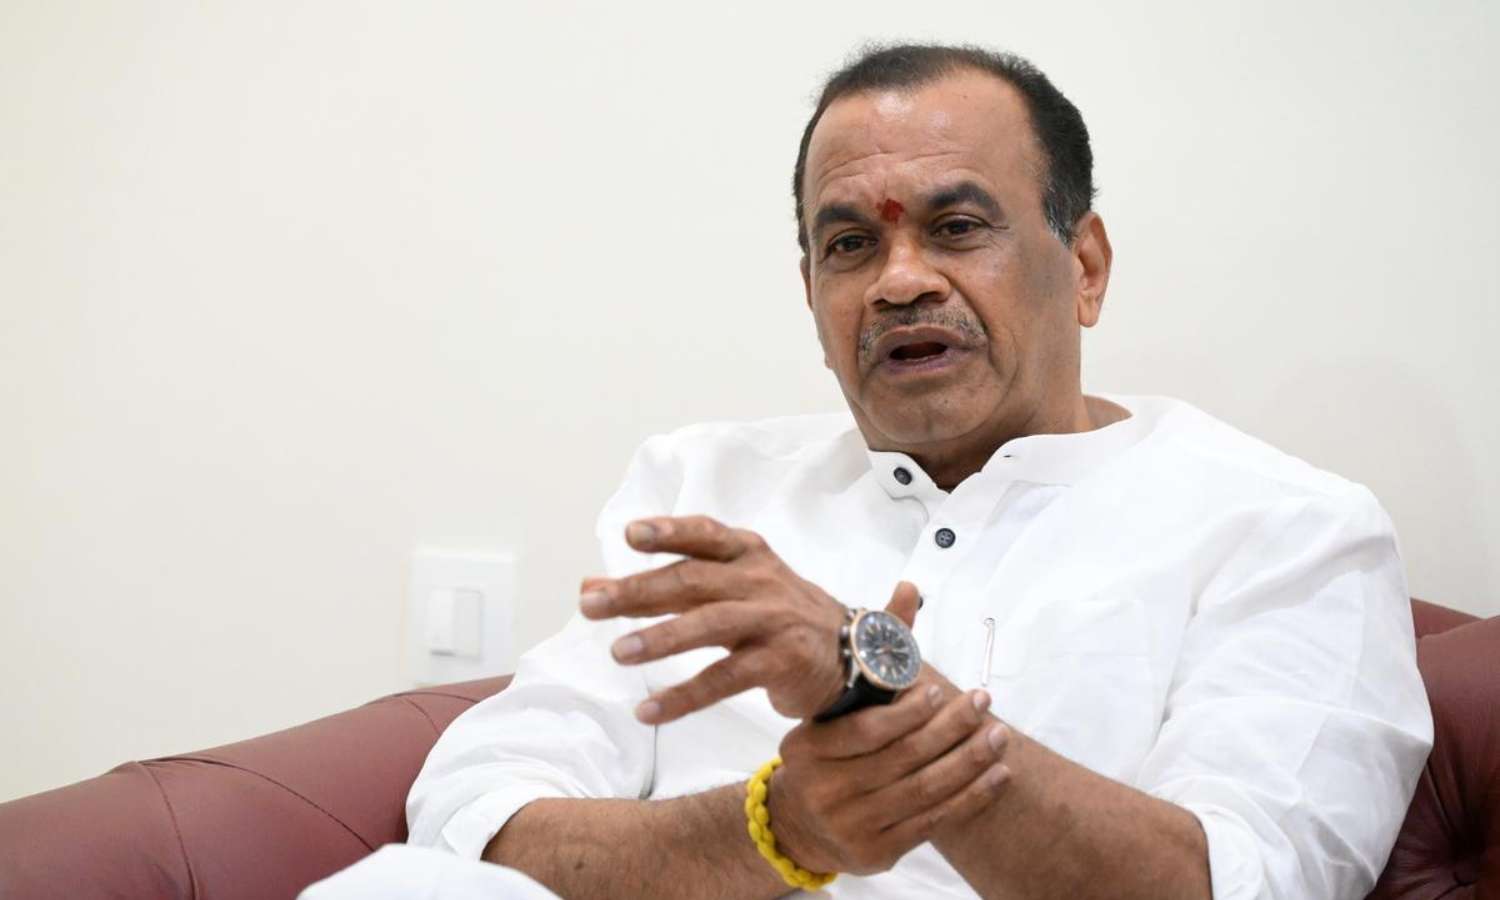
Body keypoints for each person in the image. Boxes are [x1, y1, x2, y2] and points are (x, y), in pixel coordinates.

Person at [398, 44, 1431, 899]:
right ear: (812, 293)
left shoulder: (1287, 528)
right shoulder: (702, 487)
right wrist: (781, 829)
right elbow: (474, 815)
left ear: (1084, 267)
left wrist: (871, 687)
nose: (899, 282)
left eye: (958, 228)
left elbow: (1247, 882)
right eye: (850, 244)